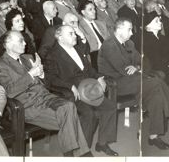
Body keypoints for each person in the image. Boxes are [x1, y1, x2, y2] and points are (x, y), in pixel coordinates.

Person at [0, 31, 92, 156]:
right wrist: (30, 75)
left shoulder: (28, 58)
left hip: (46, 98)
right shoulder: (0, 66)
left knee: (69, 107)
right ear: (8, 45)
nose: (25, 43)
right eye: (20, 41)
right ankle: (80, 154)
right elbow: (9, 91)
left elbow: (47, 84)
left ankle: (73, 155)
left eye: (24, 40)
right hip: (27, 106)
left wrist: (42, 74)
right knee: (71, 116)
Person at [98, 18, 169, 150]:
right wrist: (136, 67)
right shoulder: (109, 45)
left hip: (134, 80)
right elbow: (123, 69)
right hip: (116, 85)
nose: (132, 33)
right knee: (156, 81)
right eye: (129, 29)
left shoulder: (129, 43)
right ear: (119, 30)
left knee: (156, 95)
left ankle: (154, 136)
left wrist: (136, 67)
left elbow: (144, 61)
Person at [44, 25, 119, 156]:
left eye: (74, 33)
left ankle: (102, 143)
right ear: (60, 37)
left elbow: (89, 69)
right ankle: (82, 152)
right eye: (71, 34)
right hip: (72, 94)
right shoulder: (52, 55)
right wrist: (69, 86)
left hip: (88, 89)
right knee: (88, 114)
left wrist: (99, 78)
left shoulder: (77, 49)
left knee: (110, 107)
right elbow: (51, 79)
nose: (75, 36)